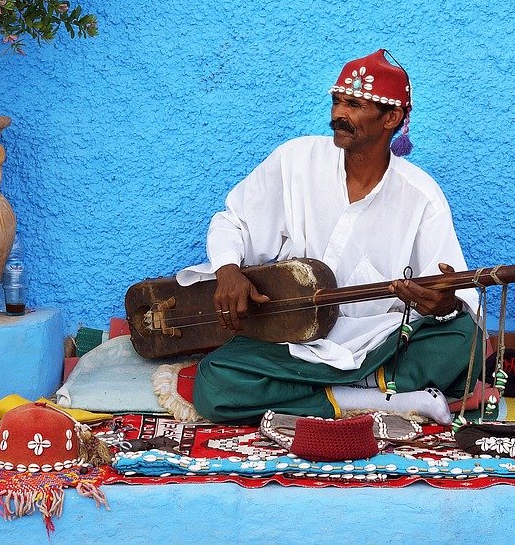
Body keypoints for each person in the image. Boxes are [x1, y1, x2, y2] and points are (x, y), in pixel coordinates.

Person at [176, 49, 479, 424]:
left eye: (354, 104)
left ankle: (344, 393)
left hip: (378, 343)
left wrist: (443, 304)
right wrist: (227, 270)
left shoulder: (421, 195)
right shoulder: (295, 162)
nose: (339, 114)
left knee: (465, 340)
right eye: (337, 101)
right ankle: (381, 398)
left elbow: (457, 297)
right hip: (293, 344)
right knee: (214, 383)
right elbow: (234, 220)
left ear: (392, 118)